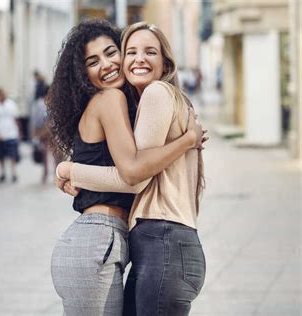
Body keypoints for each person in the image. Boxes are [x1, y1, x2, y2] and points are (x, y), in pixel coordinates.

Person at [47, 20, 204, 315]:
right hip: (96, 239)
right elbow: (133, 175)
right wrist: (186, 141)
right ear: (83, 74)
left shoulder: (141, 103)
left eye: (111, 53)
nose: (107, 64)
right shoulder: (110, 98)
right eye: (93, 61)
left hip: (105, 240)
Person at [0, 88, 21, 183]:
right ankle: (3, 173)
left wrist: (18, 132)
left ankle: (14, 172)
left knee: (12, 154)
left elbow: (16, 119)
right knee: (0, 155)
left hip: (11, 133)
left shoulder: (11, 104)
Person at [30, 86, 51, 183]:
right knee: (48, 154)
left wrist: (35, 134)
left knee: (45, 155)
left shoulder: (38, 104)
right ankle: (50, 174)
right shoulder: (41, 104)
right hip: (46, 132)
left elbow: (34, 121)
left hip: (44, 132)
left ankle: (46, 174)